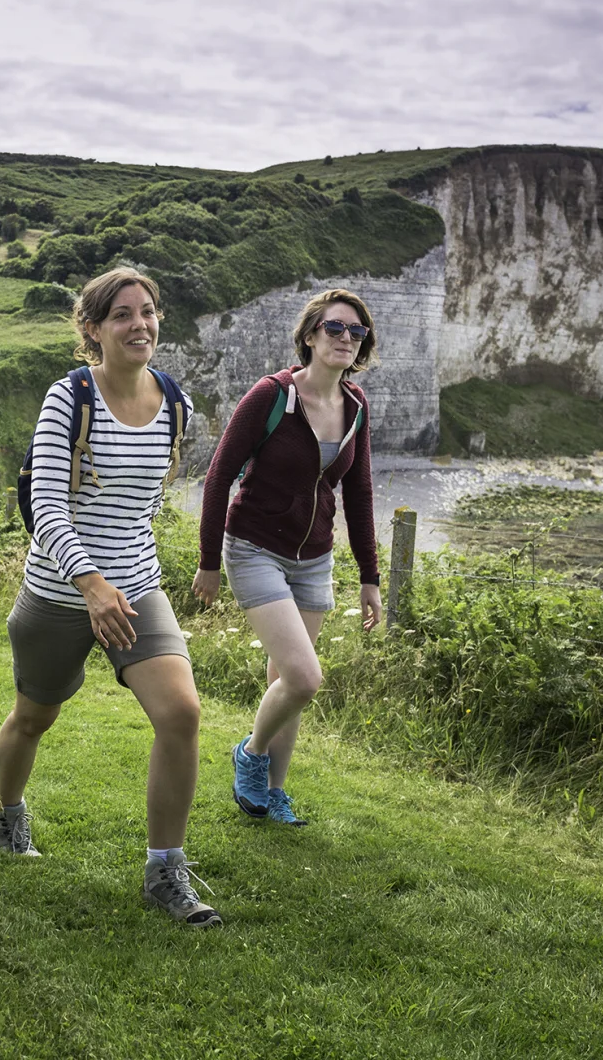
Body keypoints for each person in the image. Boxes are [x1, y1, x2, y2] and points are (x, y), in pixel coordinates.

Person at [0, 266, 219, 928]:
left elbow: (141, 510)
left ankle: (164, 871)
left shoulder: (176, 404)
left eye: (148, 311)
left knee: (180, 713)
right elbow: (47, 506)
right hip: (60, 589)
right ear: (92, 329)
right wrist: (90, 584)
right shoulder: (70, 397)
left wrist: (121, 582)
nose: (140, 323)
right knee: (34, 718)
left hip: (138, 585)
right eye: (122, 314)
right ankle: (7, 818)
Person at [192, 288, 383, 827]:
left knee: (286, 681)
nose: (346, 338)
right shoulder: (271, 396)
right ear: (309, 335)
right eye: (335, 328)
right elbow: (217, 480)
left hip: (315, 557)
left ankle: (274, 793)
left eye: (357, 331)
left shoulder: (357, 405)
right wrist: (209, 561)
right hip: (254, 549)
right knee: (304, 677)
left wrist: (370, 576)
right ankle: (250, 754)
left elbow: (360, 493)